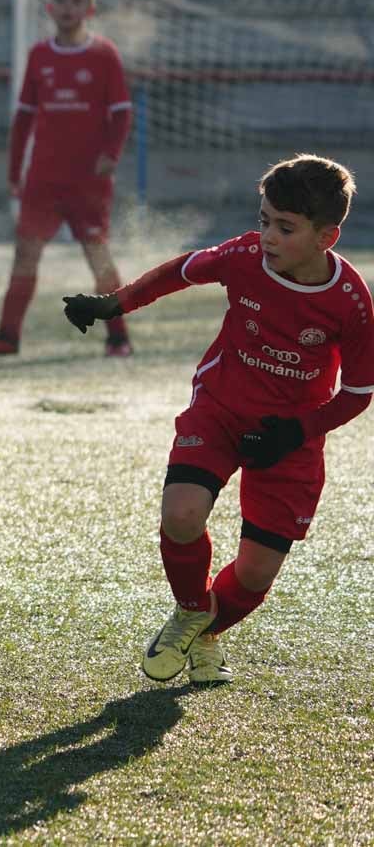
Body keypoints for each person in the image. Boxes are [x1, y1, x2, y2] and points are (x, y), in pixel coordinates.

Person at [63, 154, 373, 684]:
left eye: (284, 227)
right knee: (181, 514)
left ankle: (204, 631)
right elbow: (183, 270)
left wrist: (297, 431)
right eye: (264, 220)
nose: (267, 237)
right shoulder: (246, 255)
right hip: (221, 408)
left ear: (328, 237)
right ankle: (190, 610)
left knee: (255, 573)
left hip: (291, 437)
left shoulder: (352, 303)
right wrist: (115, 305)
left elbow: (360, 391)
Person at [0, 0, 133, 358]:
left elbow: (122, 114)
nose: (68, 8)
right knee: (25, 252)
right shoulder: (40, 55)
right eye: (61, 0)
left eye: (77, 1)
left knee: (97, 254)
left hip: (87, 183)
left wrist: (109, 155)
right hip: (43, 179)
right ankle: (7, 338)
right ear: (49, 7)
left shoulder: (103, 54)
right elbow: (24, 117)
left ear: (90, 10)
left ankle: (118, 338)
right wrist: (15, 172)